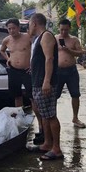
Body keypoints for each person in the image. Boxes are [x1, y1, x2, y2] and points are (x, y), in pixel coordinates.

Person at [28, 13, 62, 160]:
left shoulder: (46, 36)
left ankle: (56, 149)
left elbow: (49, 58)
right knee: (45, 115)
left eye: (29, 24)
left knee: (51, 115)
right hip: (38, 81)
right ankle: (47, 143)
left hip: (44, 82)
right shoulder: (38, 39)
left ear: (34, 23)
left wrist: (47, 81)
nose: (29, 27)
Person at [55, 19, 86, 128]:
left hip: (71, 70)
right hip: (58, 70)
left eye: (66, 30)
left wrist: (69, 51)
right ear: (59, 28)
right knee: (54, 95)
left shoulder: (74, 39)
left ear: (70, 29)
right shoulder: (54, 38)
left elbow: (81, 53)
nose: (64, 32)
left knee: (75, 94)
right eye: (62, 30)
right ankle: (53, 116)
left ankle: (75, 117)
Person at [0, 18, 32, 107]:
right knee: (17, 95)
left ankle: (38, 117)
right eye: (9, 29)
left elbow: (36, 50)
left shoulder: (28, 37)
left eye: (13, 28)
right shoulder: (7, 40)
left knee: (32, 95)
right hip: (13, 70)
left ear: (18, 27)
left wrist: (33, 63)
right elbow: (2, 50)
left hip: (27, 70)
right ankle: (20, 115)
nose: (11, 30)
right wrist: (7, 58)